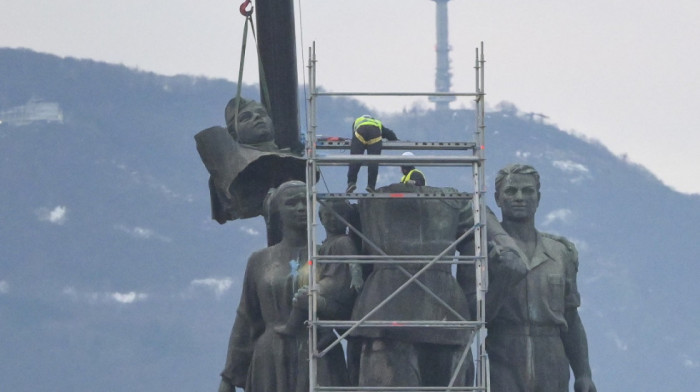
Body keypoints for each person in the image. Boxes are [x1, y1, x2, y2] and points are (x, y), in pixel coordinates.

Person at [217, 181, 349, 392]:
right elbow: (246, 319)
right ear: (277, 210)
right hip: (270, 359)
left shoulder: (329, 254)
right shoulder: (259, 261)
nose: (300, 208)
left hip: (319, 352)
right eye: (291, 203)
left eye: (305, 202)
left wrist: (321, 305)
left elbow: (347, 307)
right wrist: (229, 376)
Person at [486, 164, 596, 392]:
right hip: (504, 353)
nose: (519, 197)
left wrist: (583, 373)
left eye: (528, 191)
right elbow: (473, 318)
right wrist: (502, 279)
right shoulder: (483, 251)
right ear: (497, 198)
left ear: (538, 197)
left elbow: (571, 318)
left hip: (552, 358)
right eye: (511, 191)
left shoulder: (560, 252)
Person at [194, 97, 306, 224]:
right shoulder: (236, 161)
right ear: (232, 133)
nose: (257, 117)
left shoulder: (293, 157)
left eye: (262, 113)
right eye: (246, 117)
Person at [346, 115, 398, 193]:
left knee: (355, 159)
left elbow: (354, 135)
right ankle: (371, 186)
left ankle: (351, 183)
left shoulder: (358, 121)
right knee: (373, 162)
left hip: (361, 132)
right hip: (375, 133)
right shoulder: (377, 122)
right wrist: (395, 139)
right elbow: (390, 134)